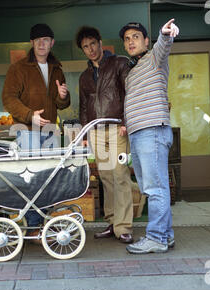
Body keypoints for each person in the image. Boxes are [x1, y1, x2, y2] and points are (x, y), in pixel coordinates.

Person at [2, 23, 70, 239]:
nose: (42, 43)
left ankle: (45, 223)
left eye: (46, 39)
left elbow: (62, 104)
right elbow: (8, 99)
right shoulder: (18, 68)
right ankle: (33, 226)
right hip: (27, 130)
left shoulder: (57, 68)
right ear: (32, 43)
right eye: (38, 40)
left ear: (52, 43)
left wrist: (62, 96)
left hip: (51, 130)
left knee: (49, 178)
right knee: (31, 177)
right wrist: (30, 114)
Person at [120, 19, 179, 254]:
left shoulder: (154, 59)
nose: (131, 41)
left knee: (155, 188)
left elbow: (163, 46)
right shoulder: (131, 71)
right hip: (139, 132)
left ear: (146, 41)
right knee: (154, 187)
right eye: (126, 38)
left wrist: (165, 34)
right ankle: (165, 235)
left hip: (152, 130)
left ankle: (155, 237)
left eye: (136, 36)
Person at [76, 26, 134, 244]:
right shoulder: (84, 77)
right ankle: (112, 222)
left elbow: (130, 93)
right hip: (96, 131)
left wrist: (126, 121)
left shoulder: (119, 63)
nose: (90, 49)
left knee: (120, 174)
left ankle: (124, 226)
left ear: (100, 43)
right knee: (106, 177)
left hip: (117, 127)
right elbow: (83, 107)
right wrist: (84, 132)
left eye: (92, 44)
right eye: (85, 47)